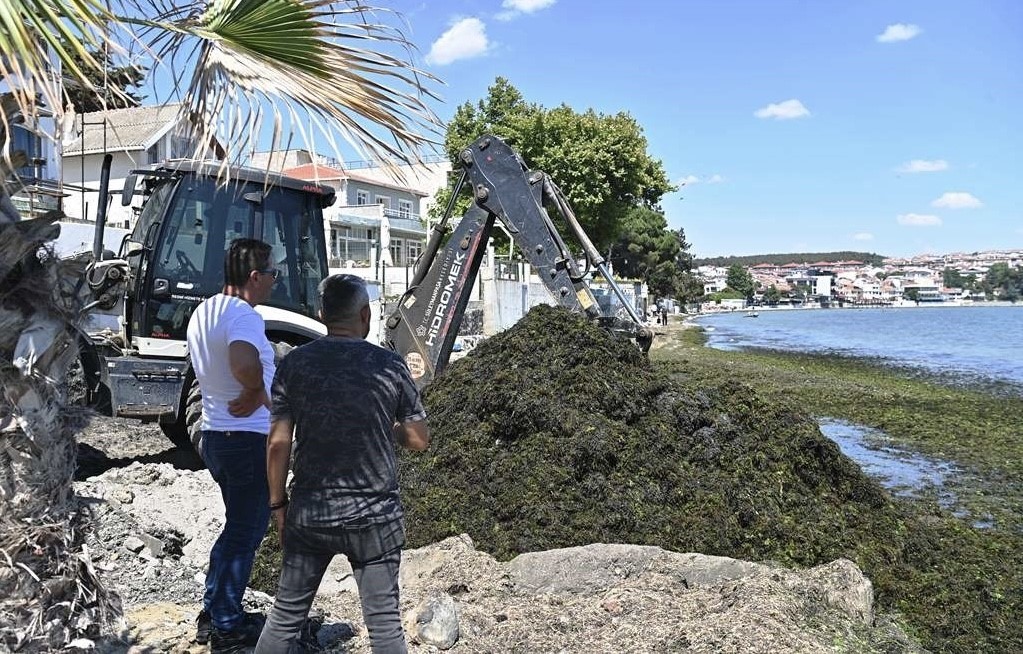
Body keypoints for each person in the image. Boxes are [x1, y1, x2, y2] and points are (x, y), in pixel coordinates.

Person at [256, 274, 429, 654]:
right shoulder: (389, 365)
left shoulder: (295, 365)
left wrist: (278, 506)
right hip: (375, 520)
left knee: (285, 619)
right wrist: (389, 426)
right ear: (365, 315)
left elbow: (278, 442)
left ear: (322, 314)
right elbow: (418, 440)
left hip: (311, 513)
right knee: (384, 625)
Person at [186, 238, 279, 652]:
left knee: (236, 527)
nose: (274, 282)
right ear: (254, 277)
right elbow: (243, 361)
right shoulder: (242, 314)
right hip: (243, 439)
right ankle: (226, 625)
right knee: (247, 530)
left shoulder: (205, 310)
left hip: (216, 435)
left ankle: (214, 610)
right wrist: (258, 390)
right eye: (272, 274)